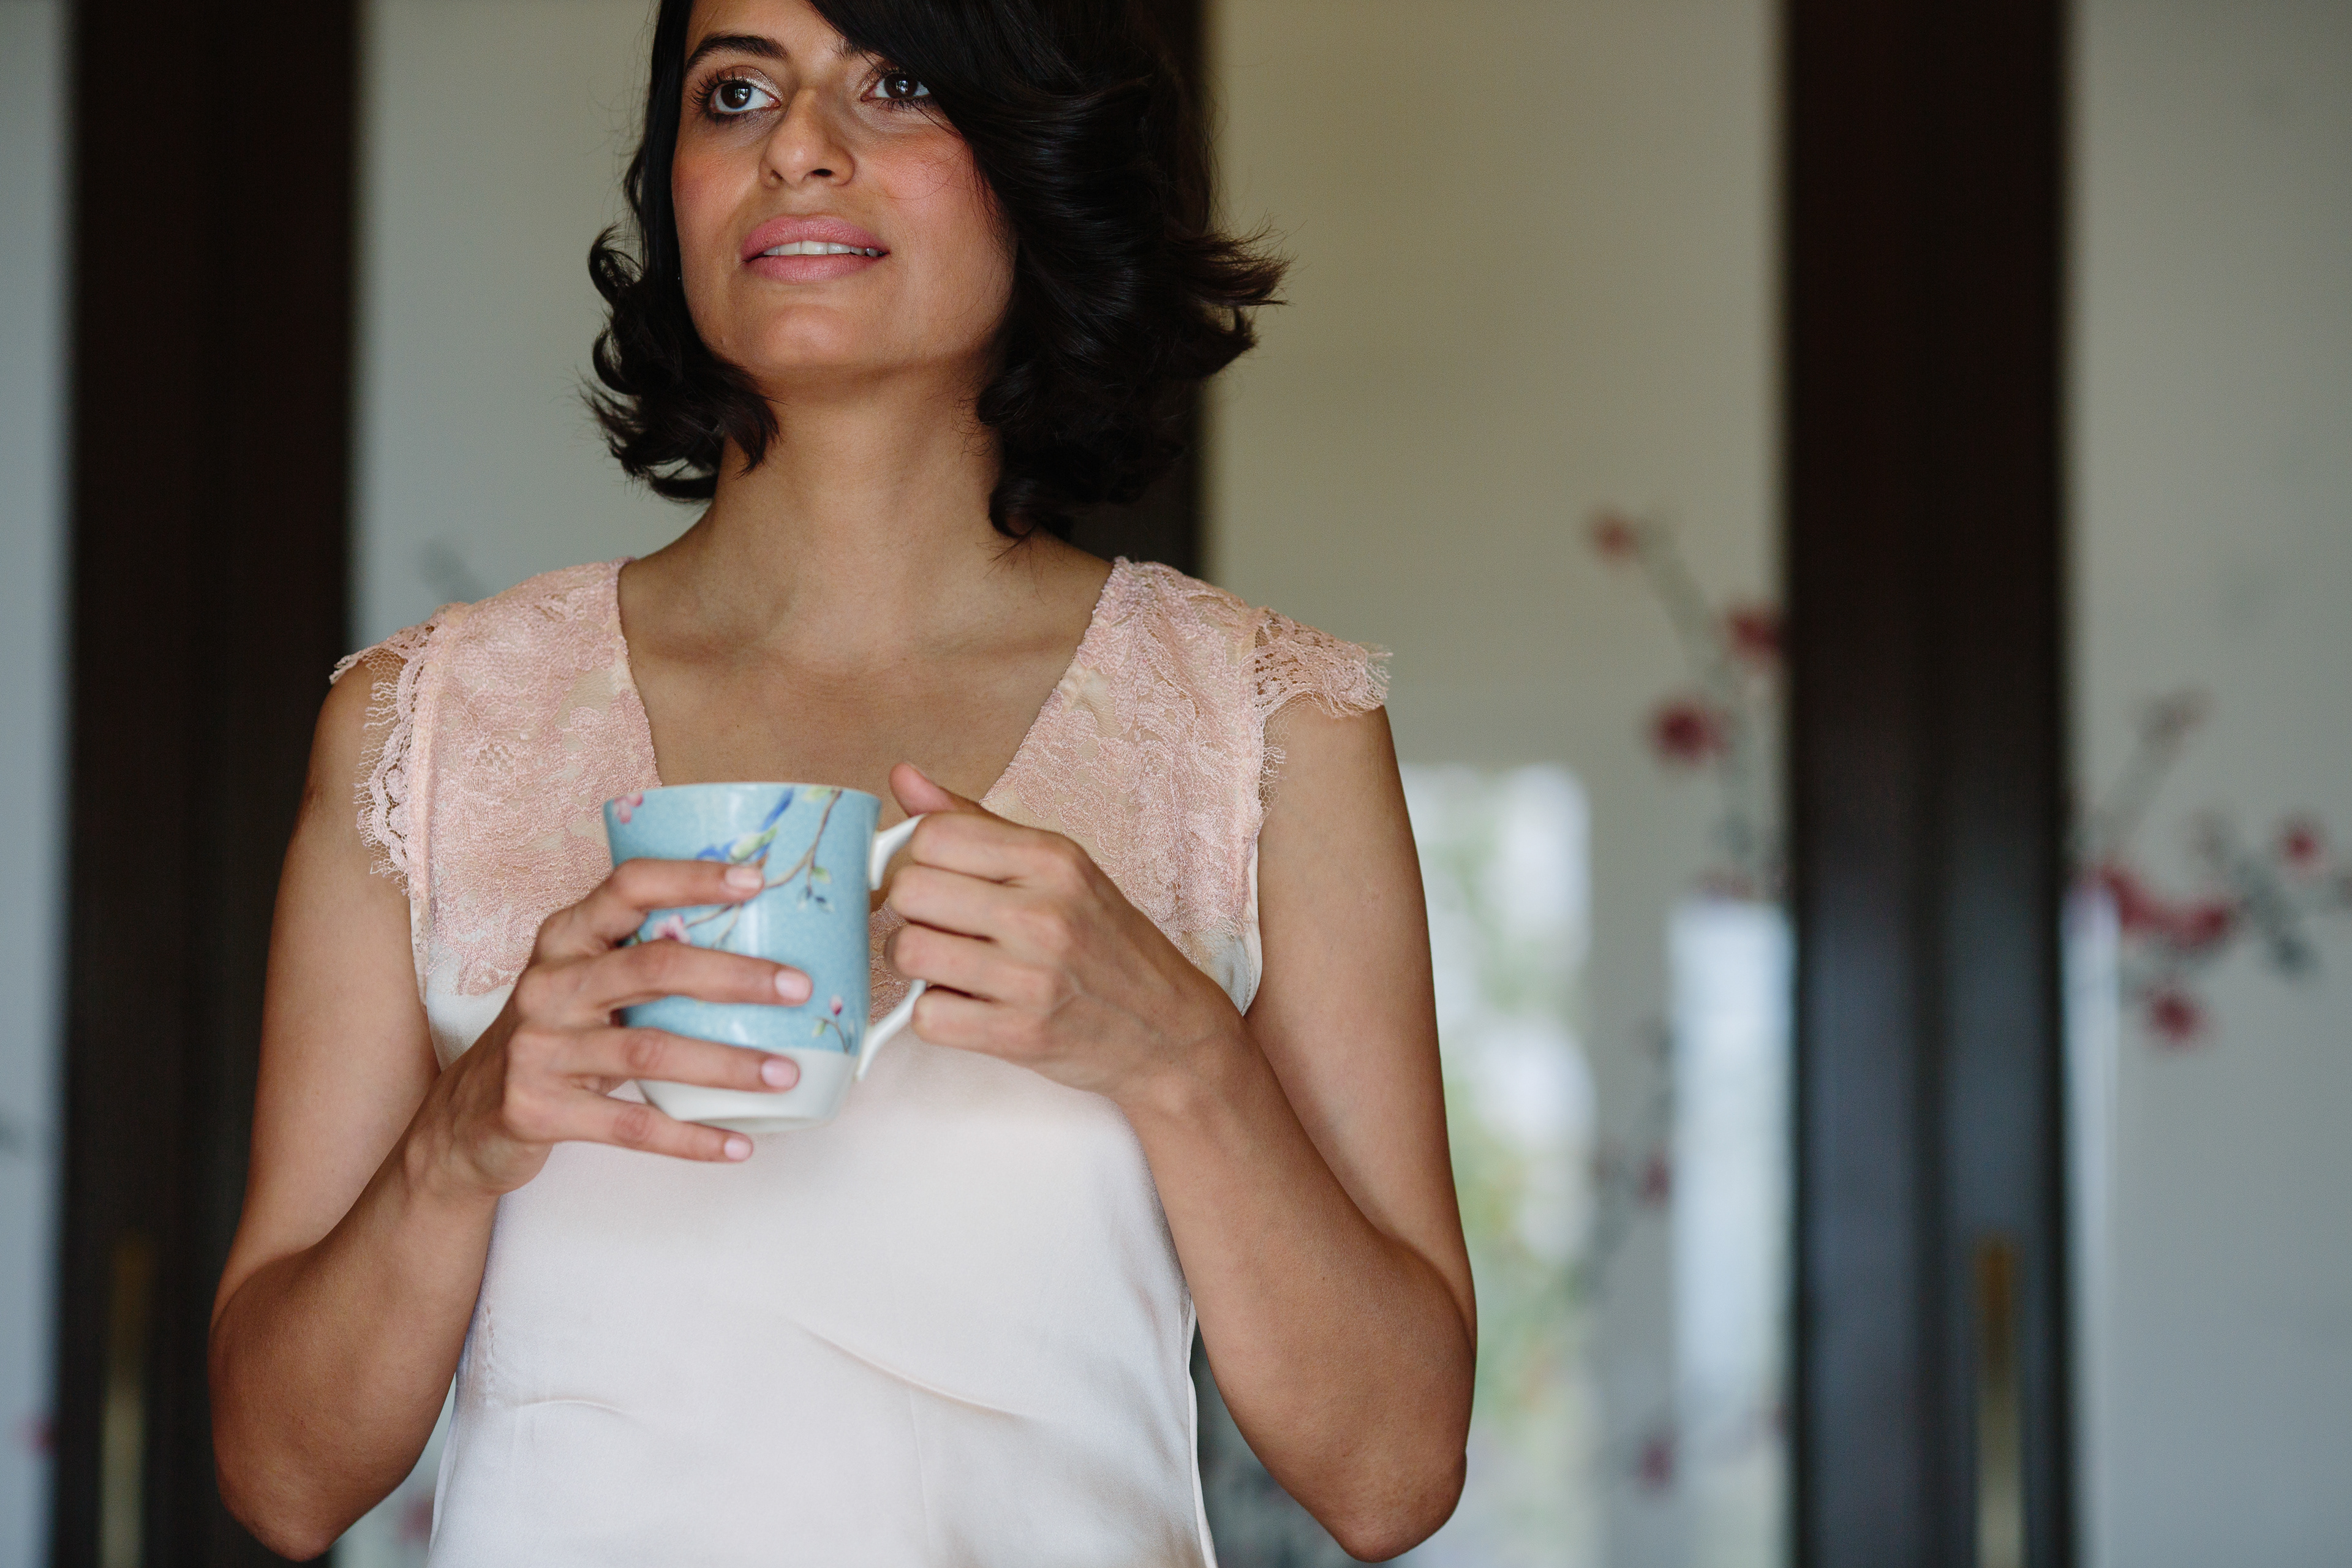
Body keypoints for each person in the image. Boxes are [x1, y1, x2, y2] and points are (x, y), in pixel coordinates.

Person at [208, 0, 1474, 1559]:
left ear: (1042, 156)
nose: (799, 147)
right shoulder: (425, 724)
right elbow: (280, 1477)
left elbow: (1393, 1473)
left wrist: (1184, 1059)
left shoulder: (1272, 726)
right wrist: (455, 1142)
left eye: (901, 82)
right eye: (736, 92)